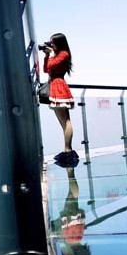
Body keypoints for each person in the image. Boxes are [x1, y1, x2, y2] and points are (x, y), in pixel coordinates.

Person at [42, 33, 79, 165]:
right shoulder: (57, 54)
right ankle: (67, 149)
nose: (51, 44)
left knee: (66, 121)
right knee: (63, 122)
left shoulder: (64, 54)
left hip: (59, 88)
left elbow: (52, 67)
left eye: (52, 42)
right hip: (55, 88)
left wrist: (51, 55)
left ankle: (68, 149)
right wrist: (47, 55)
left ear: (59, 43)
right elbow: (46, 70)